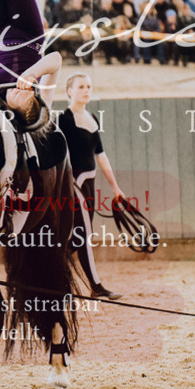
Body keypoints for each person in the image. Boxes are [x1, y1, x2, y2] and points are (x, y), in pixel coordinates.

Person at [59, 74, 126, 300]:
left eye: (88, 86)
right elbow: (60, 155)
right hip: (74, 182)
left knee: (77, 238)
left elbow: (101, 156)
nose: (86, 90)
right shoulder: (64, 119)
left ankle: (51, 269)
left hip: (90, 181)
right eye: (80, 87)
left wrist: (115, 187)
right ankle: (96, 286)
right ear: (69, 91)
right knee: (85, 233)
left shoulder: (92, 117)